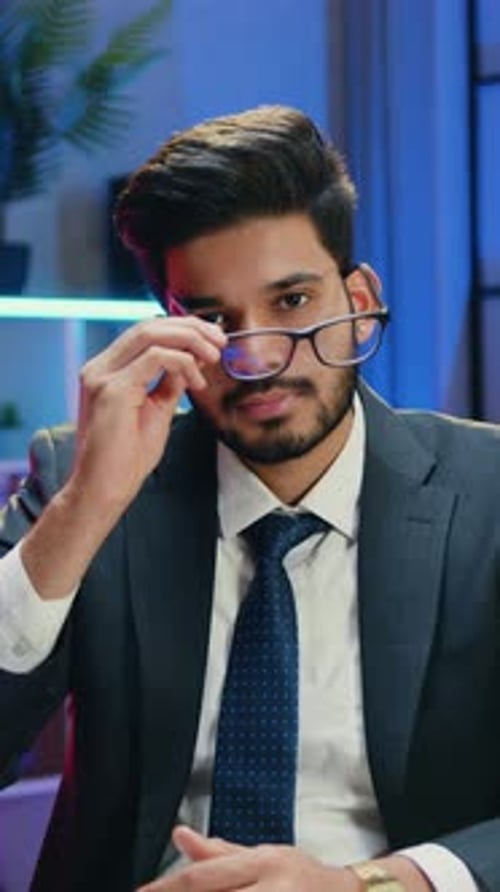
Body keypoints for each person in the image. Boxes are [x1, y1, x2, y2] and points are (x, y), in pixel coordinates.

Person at [0, 105, 499, 892]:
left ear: (359, 297)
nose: (258, 357)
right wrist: (86, 510)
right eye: (210, 319)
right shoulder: (83, 478)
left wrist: (377, 885)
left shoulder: (488, 489)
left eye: (292, 301)